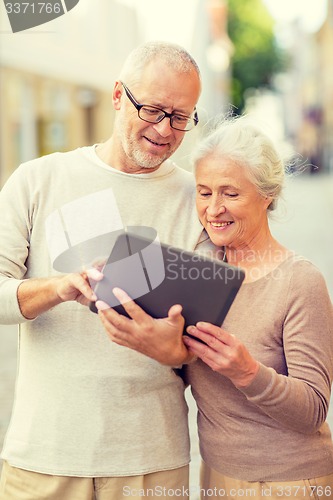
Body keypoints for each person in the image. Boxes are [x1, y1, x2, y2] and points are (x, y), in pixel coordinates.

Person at [0, 41, 204, 499]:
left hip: (151, 459)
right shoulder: (38, 180)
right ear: (117, 95)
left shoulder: (200, 200)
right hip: (45, 455)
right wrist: (57, 288)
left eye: (180, 117)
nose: (164, 130)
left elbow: (206, 336)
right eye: (152, 110)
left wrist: (174, 350)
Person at [97, 116, 333, 499]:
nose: (214, 208)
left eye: (231, 193)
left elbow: (313, 410)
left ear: (266, 194)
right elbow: (182, 363)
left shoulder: (300, 281)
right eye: (204, 192)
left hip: (290, 482)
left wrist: (248, 373)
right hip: (216, 476)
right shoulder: (198, 272)